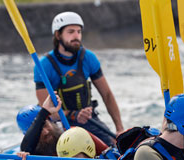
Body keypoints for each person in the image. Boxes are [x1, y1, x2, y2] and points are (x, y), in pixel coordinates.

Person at [34, 11, 124, 146]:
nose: (76, 36)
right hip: (58, 123)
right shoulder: (43, 66)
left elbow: (107, 95)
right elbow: (47, 112)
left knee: (114, 148)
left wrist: (119, 128)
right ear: (58, 35)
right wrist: (74, 115)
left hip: (88, 120)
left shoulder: (89, 58)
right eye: (70, 32)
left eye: (79, 31)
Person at [17, 96, 114, 160]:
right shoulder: (34, 157)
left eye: (45, 125)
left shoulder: (74, 133)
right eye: (39, 131)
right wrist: (44, 112)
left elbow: (109, 155)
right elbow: (25, 148)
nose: (46, 132)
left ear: (51, 121)